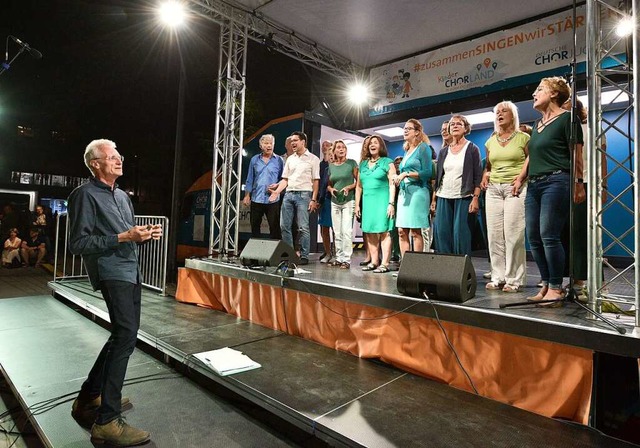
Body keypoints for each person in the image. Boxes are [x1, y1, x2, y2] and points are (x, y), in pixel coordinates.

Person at [68, 138, 162, 445]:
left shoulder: (122, 196)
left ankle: (89, 398)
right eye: (112, 157)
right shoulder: (83, 195)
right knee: (125, 336)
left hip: (130, 271)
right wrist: (123, 236)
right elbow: (78, 244)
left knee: (123, 335)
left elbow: (126, 234)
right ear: (96, 164)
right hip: (111, 272)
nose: (119, 159)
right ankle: (107, 421)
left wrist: (142, 236)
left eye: (119, 155)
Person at [526, 77, 584, 302]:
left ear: (553, 94)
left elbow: (576, 154)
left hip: (557, 181)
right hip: (534, 185)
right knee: (533, 237)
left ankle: (557, 287)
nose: (534, 94)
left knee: (549, 235)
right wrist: (522, 178)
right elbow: (532, 156)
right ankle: (547, 283)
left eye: (539, 89)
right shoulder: (537, 124)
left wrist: (578, 183)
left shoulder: (568, 119)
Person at [481, 101, 529, 293]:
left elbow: (529, 159)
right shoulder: (490, 141)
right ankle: (497, 276)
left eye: (504, 111)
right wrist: (485, 174)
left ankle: (514, 279)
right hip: (493, 189)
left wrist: (520, 179)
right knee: (494, 236)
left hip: (514, 189)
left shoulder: (524, 138)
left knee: (513, 234)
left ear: (513, 116)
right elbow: (489, 166)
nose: (499, 114)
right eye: (497, 112)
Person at [561, 98, 606, 300]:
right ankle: (575, 282)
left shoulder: (594, 128)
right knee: (567, 234)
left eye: (568, 107)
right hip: (564, 185)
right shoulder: (563, 130)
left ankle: (596, 284)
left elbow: (602, 158)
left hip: (588, 184)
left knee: (585, 235)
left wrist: (603, 185)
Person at [433, 115, 483, 255]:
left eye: (458, 124)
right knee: (442, 234)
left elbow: (478, 176)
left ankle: (461, 270)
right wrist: (434, 198)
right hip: (443, 195)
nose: (454, 126)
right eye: (452, 124)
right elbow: (439, 177)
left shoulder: (472, 148)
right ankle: (446, 270)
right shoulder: (443, 151)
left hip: (464, 196)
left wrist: (475, 198)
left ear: (465, 128)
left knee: (461, 235)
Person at [270, 131, 320, 265]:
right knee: (284, 226)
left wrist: (313, 199)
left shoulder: (313, 159)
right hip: (288, 194)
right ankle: (290, 254)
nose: (292, 143)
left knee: (303, 227)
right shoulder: (290, 159)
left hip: (304, 195)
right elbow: (285, 179)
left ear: (303, 142)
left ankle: (304, 255)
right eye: (291, 140)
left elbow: (316, 181)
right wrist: (276, 192)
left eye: (295, 140)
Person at [355, 136, 396, 273]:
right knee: (370, 232)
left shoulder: (387, 162)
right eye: (370, 143)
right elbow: (359, 187)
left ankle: (384, 263)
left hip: (383, 200)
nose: (372, 145)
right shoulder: (362, 164)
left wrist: (391, 203)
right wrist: (357, 206)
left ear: (381, 146)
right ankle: (374, 261)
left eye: (375, 143)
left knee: (384, 232)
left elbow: (392, 184)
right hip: (368, 202)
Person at [395, 119, 433, 257]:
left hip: (418, 192)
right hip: (405, 193)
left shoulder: (423, 148)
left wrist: (406, 174)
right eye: (404, 128)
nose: (405, 130)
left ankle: (416, 267)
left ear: (417, 132)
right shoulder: (406, 150)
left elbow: (428, 172)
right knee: (401, 231)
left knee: (415, 231)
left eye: (408, 128)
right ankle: (405, 265)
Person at [242, 134, 284, 240]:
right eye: (266, 143)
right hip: (256, 198)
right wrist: (247, 195)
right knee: (255, 227)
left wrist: (277, 187)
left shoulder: (279, 160)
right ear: (261, 145)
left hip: (272, 200)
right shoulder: (254, 160)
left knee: (274, 228)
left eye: (271, 143)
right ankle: (257, 253)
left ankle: (274, 253)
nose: (269, 146)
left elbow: (283, 179)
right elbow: (250, 179)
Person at [327, 140, 358, 269]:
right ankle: (338, 258)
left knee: (346, 231)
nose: (341, 149)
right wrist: (331, 190)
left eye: (343, 147)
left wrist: (349, 187)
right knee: (337, 231)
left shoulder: (352, 163)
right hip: (335, 202)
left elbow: (358, 181)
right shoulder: (331, 166)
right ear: (334, 151)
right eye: (338, 147)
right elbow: (329, 184)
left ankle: (346, 259)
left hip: (348, 200)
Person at [356, 136, 373, 266]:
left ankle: (377, 255)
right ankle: (368, 255)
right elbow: (359, 184)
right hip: (364, 198)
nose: (369, 146)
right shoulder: (361, 163)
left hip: (377, 197)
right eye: (366, 144)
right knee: (365, 228)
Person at [317, 140, 335, 263]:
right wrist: (318, 199)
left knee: (337, 229)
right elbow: (321, 184)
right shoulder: (322, 166)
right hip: (324, 200)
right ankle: (328, 252)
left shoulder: (343, 166)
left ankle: (337, 253)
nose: (330, 155)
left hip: (338, 200)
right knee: (324, 227)